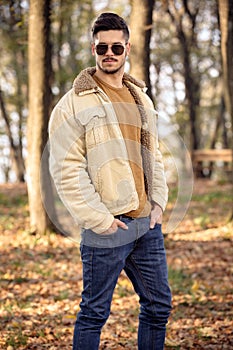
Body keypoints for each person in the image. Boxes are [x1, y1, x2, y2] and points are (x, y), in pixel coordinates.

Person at [49, 12, 172, 350]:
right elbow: (66, 167)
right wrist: (99, 220)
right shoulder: (73, 103)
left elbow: (154, 154)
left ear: (127, 48)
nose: (110, 53)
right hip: (107, 226)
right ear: (93, 48)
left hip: (146, 226)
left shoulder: (140, 98)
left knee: (159, 306)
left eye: (116, 46)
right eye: (102, 46)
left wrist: (158, 203)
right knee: (93, 314)